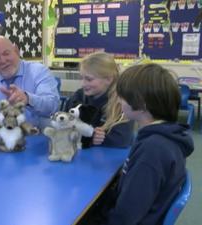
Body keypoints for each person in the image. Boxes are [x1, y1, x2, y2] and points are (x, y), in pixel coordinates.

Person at [94, 63, 194, 225]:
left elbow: (126, 216)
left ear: (141, 105)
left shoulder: (153, 150)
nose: (118, 101)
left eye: (123, 96)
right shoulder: (161, 136)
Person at [0, 35, 60, 142]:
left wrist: (28, 99)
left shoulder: (39, 72)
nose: (3, 60)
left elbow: (53, 105)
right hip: (4, 145)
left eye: (6, 53)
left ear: (16, 50)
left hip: (41, 142)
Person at [64, 52, 133, 148]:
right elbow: (62, 122)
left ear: (108, 79)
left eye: (89, 79)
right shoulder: (78, 97)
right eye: (82, 78)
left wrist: (99, 138)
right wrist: (91, 136)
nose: (83, 84)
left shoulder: (120, 103)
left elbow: (122, 140)